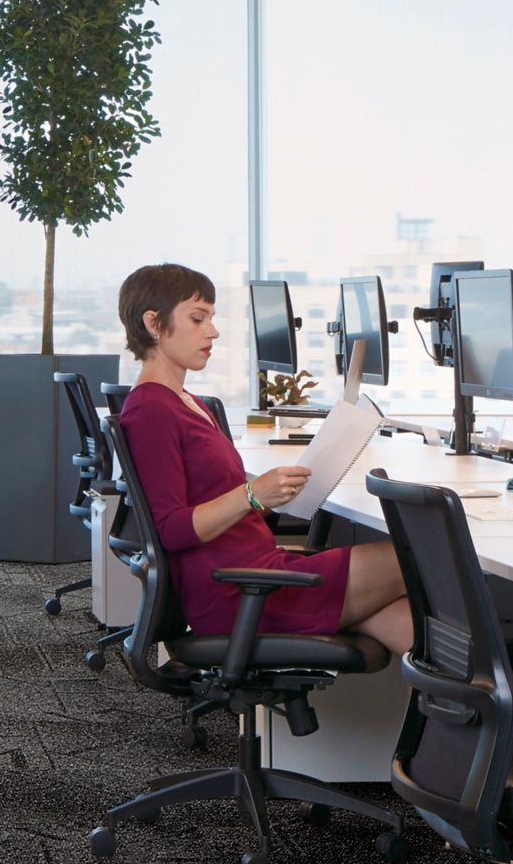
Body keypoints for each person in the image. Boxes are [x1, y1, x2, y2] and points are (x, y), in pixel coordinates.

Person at [112, 262, 415, 662]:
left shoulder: (188, 402)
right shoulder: (151, 410)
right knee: (414, 556)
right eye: (198, 318)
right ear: (154, 324)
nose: (213, 331)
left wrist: (268, 494)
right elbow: (170, 530)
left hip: (260, 571)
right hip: (236, 590)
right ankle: (503, 696)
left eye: (212, 318)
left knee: (397, 615)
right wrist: (254, 495)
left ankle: (502, 699)